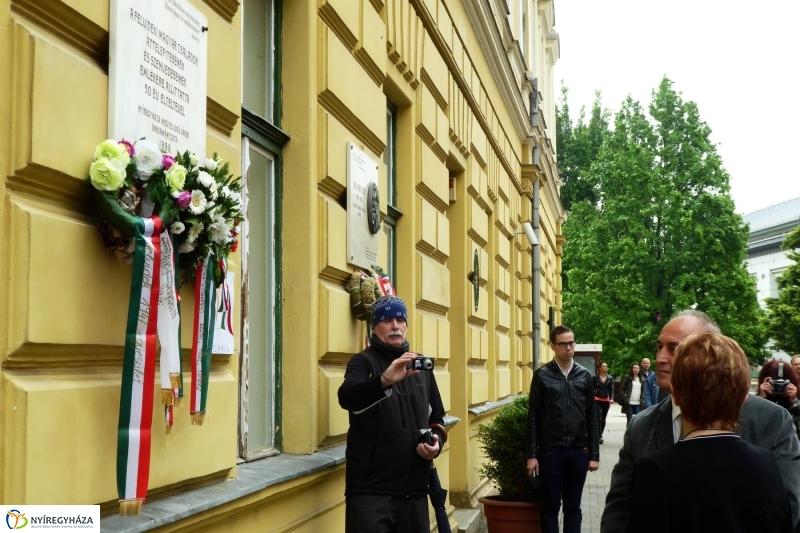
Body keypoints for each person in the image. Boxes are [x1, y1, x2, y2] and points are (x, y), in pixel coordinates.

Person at [601, 310, 800, 533]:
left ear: (711, 354)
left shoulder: (771, 420)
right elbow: (618, 514)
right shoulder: (641, 426)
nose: (660, 358)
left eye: (675, 348)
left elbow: (787, 509)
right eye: (659, 347)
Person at [338, 296, 446, 533]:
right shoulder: (362, 362)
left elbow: (437, 419)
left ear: (406, 325)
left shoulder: (420, 366)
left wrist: (436, 444)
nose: (395, 326)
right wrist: (385, 380)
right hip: (371, 493)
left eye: (400, 320)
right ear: (374, 327)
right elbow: (346, 398)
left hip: (415, 491)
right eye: (387, 320)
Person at [526, 325, 600, 533]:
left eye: (571, 342)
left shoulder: (584, 376)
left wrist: (594, 454)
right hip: (551, 451)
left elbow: (591, 417)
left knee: (573, 507)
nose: (568, 347)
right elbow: (533, 417)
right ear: (553, 346)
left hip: (578, 452)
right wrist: (532, 455)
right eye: (563, 344)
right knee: (550, 506)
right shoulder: (542, 376)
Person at [758, 360, 800, 441]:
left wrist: (794, 401)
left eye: (783, 381)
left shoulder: (796, 396)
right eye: (774, 381)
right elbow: (750, 423)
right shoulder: (756, 400)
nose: (779, 385)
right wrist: (760, 399)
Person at [593, 362, 614, 444]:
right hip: (597, 399)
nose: (606, 368)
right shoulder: (595, 378)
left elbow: (611, 389)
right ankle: (599, 436)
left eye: (606, 366)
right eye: (604, 366)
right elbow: (592, 388)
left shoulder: (610, 378)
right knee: (599, 417)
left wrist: (611, 398)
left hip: (606, 400)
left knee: (603, 418)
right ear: (600, 368)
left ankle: (600, 434)